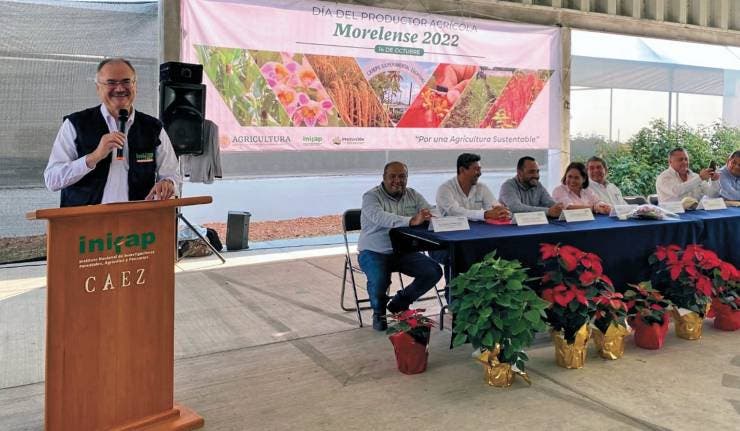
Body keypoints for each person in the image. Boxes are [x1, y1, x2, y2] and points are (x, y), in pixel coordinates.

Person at [44, 58, 180, 207]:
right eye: (111, 83)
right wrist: (93, 157)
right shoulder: (75, 125)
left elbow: (172, 175)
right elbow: (52, 180)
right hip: (85, 219)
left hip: (138, 218)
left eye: (126, 82)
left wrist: (168, 183)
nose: (120, 88)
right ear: (98, 88)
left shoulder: (153, 128)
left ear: (135, 85)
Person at [357, 161, 443, 331]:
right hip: (374, 251)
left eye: (402, 176)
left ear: (407, 178)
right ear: (384, 178)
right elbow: (380, 217)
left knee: (433, 271)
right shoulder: (371, 197)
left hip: (403, 251)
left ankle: (399, 303)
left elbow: (430, 210)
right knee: (380, 280)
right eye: (393, 176)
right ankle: (379, 313)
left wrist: (433, 214)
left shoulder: (413, 195)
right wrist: (411, 220)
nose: (397, 180)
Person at [436, 153, 510, 221]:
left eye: (480, 169)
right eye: (476, 169)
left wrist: (500, 211)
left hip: (477, 229)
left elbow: (493, 206)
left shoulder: (481, 187)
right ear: (462, 170)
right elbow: (455, 212)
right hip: (451, 229)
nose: (480, 173)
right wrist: (485, 214)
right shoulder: (445, 189)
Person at [499, 156, 564, 218]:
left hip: (534, 223)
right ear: (519, 172)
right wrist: (548, 211)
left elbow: (549, 203)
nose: (536, 175)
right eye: (531, 172)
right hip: (511, 225)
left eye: (537, 171)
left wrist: (559, 208)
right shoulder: (507, 186)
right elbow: (516, 208)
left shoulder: (538, 185)